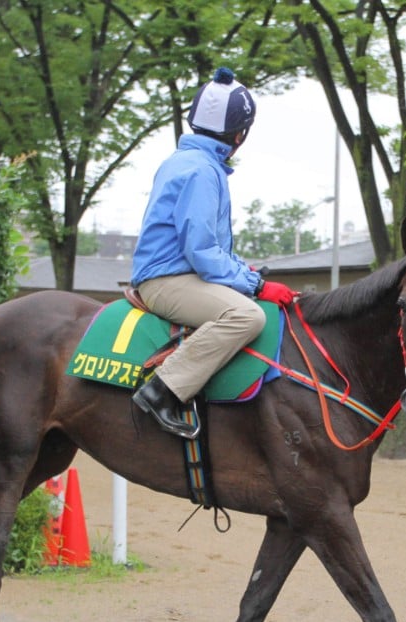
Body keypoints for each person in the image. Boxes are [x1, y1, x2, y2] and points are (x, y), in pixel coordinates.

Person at [130, 67, 296, 439]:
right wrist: (256, 286)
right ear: (240, 135)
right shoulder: (203, 172)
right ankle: (162, 390)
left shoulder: (187, 161)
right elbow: (202, 251)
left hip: (178, 274)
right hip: (167, 281)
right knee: (247, 316)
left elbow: (209, 249)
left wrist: (245, 273)